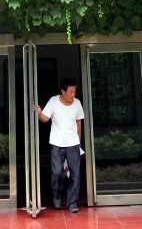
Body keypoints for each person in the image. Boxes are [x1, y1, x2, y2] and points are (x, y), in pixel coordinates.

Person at [33, 78, 84, 213]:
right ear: (63, 91)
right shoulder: (54, 101)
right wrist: (39, 112)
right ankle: (57, 195)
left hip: (73, 144)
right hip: (56, 144)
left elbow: (79, 122)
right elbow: (45, 119)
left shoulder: (77, 103)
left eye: (74, 92)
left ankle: (72, 203)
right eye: (70, 92)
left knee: (75, 174)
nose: (73, 95)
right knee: (57, 172)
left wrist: (79, 140)